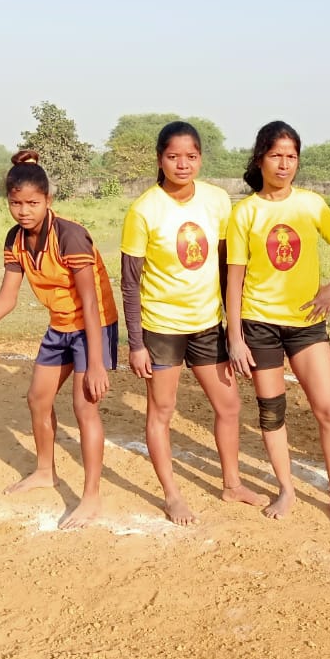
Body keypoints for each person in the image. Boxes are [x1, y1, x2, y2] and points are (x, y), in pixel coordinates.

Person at [0, 151, 117, 528]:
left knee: (85, 409)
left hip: (92, 327)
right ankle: (45, 470)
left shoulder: (70, 235)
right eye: (16, 203)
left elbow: (90, 300)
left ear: (49, 201)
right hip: (60, 325)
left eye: (32, 203)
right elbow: (7, 298)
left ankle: (92, 496)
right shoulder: (15, 239)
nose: (23, 211)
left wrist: (96, 362)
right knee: (37, 399)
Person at [121, 120, 268, 525]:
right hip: (162, 328)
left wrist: (232, 325)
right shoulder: (144, 210)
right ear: (160, 160)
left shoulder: (218, 201)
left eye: (190, 156)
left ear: (201, 158)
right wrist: (136, 343)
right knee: (162, 411)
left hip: (207, 325)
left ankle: (232, 483)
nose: (182, 164)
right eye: (173, 157)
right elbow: (130, 284)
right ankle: (171, 495)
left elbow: (227, 265)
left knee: (229, 404)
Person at [225, 121, 330, 524]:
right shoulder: (244, 212)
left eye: (291, 156)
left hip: (306, 324)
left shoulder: (312, 204)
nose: (284, 164)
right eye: (276, 155)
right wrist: (236, 338)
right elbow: (234, 279)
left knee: (328, 410)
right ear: (260, 159)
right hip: (259, 324)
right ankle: (287, 489)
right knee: (271, 413)